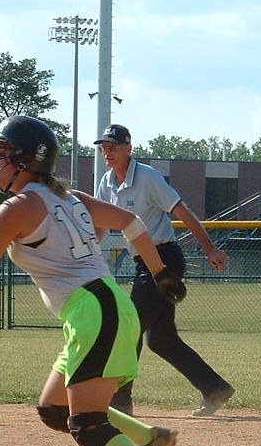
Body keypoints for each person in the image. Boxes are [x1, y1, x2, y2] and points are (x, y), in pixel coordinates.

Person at [0, 115, 185, 446]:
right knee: (55, 409)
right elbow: (133, 224)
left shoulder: (16, 208)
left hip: (94, 311)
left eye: (1, 154)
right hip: (103, 306)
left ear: (24, 160)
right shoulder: (70, 197)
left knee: (87, 425)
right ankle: (150, 440)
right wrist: (160, 273)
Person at [93, 125, 234, 417]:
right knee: (160, 339)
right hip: (141, 262)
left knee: (128, 327)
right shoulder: (106, 183)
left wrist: (209, 248)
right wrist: (86, 256)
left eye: (113, 147)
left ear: (128, 148)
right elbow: (101, 226)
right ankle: (215, 388)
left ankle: (120, 403)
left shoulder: (147, 177)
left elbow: (181, 211)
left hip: (164, 260)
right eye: (104, 148)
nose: (108, 153)